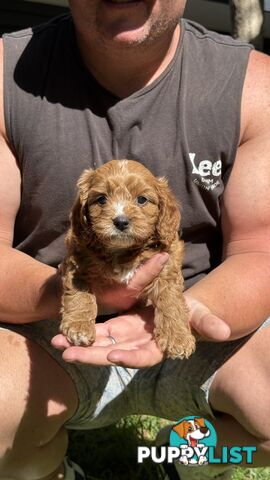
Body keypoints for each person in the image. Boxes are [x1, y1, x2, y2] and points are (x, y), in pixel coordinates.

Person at [0, 1, 269, 479]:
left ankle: (183, 459)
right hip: (49, 332)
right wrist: (70, 292)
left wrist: (185, 310)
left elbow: (258, 251)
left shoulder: (253, 84)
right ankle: (45, 469)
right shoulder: (5, 75)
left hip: (205, 321)